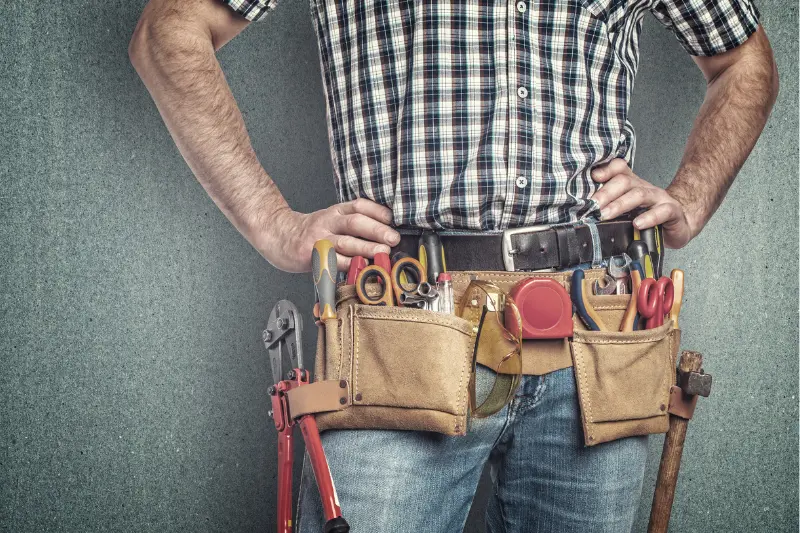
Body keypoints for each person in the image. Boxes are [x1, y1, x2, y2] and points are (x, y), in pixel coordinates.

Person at [129, 0, 777, 531]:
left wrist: (687, 202)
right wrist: (274, 224)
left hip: (596, 339)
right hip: (399, 336)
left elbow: (746, 62)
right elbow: (170, 29)